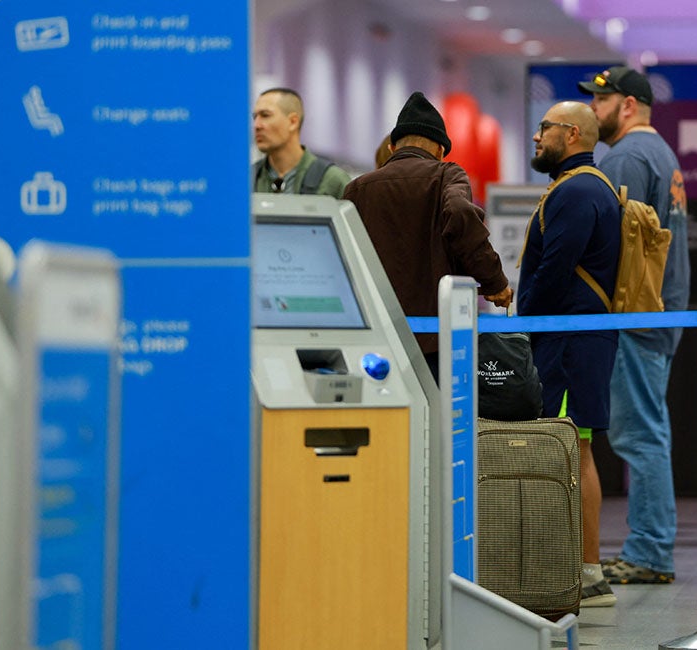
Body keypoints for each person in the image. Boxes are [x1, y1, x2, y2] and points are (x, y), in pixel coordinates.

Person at [576, 65, 688, 586]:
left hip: (636, 312)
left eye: (601, 102)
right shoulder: (661, 153)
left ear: (626, 106)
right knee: (647, 430)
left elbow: (610, 240)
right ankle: (651, 544)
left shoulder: (625, 156)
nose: (593, 111)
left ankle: (649, 549)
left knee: (639, 433)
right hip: (660, 309)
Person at [519, 101, 620, 608]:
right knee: (572, 451)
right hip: (575, 341)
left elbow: (554, 270)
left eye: (545, 128)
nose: (537, 137)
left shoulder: (578, 190)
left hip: (569, 343)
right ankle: (583, 567)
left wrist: (524, 317)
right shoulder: (581, 186)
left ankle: (587, 572)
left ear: (572, 133)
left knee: (572, 452)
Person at [343, 91, 512, 376]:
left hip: (378, 334)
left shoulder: (358, 188)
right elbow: (460, 214)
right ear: (440, 150)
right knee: (438, 417)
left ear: (394, 146)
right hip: (437, 338)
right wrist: (495, 282)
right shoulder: (448, 175)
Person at [252, 87, 351, 198]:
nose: (257, 125)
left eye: (265, 115)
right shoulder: (247, 180)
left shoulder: (332, 181)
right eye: (255, 117)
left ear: (293, 122)